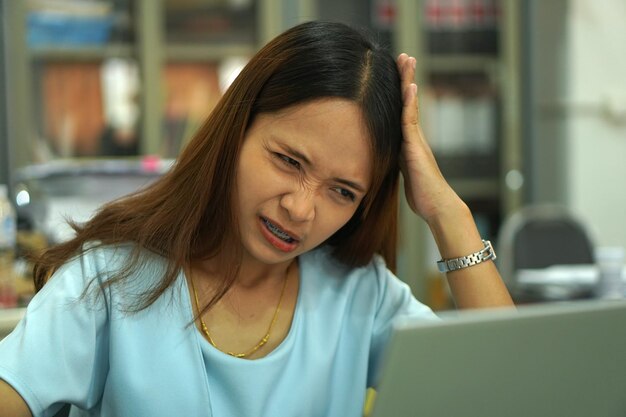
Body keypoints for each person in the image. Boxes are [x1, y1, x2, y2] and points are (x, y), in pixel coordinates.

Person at [0, 21, 513, 417]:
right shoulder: (109, 281)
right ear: (236, 130)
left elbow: (510, 389)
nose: (300, 208)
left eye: (342, 191)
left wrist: (448, 211)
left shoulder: (360, 296)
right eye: (289, 161)